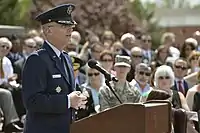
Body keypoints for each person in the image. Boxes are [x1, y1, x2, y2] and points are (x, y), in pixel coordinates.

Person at [22, 4, 87, 133]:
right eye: (64, 26)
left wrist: (81, 97)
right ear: (48, 30)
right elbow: (32, 101)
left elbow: (70, 90)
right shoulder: (37, 60)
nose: (70, 30)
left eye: (71, 26)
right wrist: (67, 101)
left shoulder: (66, 58)